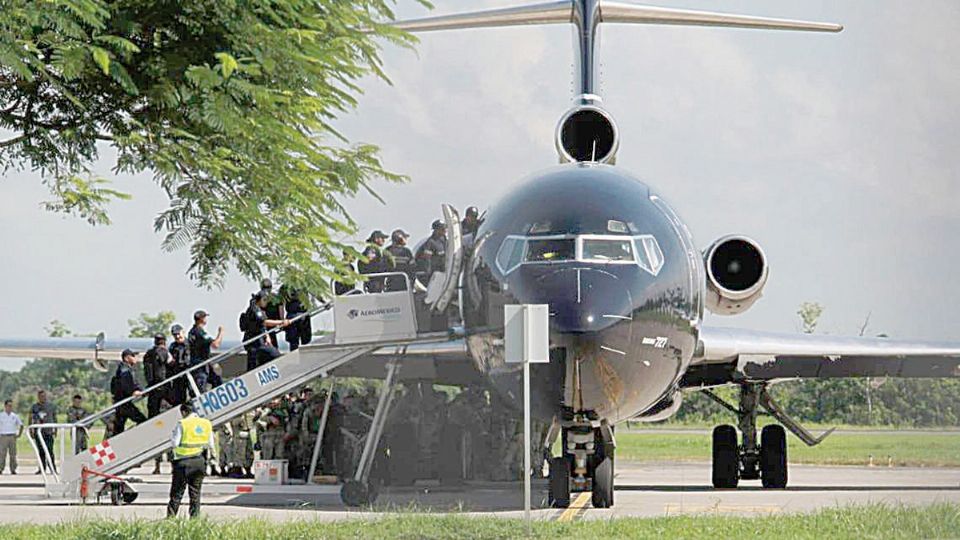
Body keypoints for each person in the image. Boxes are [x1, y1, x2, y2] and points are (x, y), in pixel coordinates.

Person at [166, 401, 214, 519]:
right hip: (199, 461)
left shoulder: (182, 423)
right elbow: (210, 444)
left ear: (184, 412)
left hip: (183, 462)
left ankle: (170, 519)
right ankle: (194, 520)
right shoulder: (206, 423)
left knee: (177, 494)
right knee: (195, 494)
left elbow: (175, 443)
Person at [241, 291, 289, 371]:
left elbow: (262, 326)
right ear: (259, 300)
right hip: (254, 343)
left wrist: (267, 336)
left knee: (258, 365)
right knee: (274, 354)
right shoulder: (255, 310)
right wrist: (282, 322)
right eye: (264, 300)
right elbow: (265, 322)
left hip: (258, 342)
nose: (266, 302)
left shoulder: (259, 310)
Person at [111, 349, 147, 435]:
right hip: (124, 402)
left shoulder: (125, 368)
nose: (135, 358)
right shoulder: (125, 369)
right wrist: (133, 392)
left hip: (121, 401)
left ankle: (117, 443)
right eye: (133, 356)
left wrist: (142, 391)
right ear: (127, 358)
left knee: (118, 427)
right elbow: (127, 383)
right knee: (141, 419)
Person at [188, 310, 224, 392]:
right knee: (201, 389)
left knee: (217, 379)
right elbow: (215, 345)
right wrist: (221, 333)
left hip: (198, 363)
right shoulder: (200, 332)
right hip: (201, 365)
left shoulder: (191, 331)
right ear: (201, 319)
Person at [30, 390, 57, 474]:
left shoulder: (51, 406)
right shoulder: (34, 407)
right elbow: (31, 418)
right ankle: (42, 468)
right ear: (38, 397)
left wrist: (56, 429)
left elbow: (54, 417)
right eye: (41, 396)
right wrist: (31, 430)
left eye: (44, 396)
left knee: (50, 451)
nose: (43, 398)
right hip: (39, 432)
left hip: (48, 431)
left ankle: (53, 468)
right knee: (41, 451)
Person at [143, 333, 170, 418]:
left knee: (152, 411)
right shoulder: (164, 352)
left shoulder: (148, 354)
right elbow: (170, 363)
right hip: (162, 385)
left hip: (151, 386)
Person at [415, 220, 447, 284]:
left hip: (443, 270)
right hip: (434, 272)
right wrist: (429, 274)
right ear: (436, 230)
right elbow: (427, 259)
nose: (445, 230)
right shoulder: (430, 242)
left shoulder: (444, 241)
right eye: (442, 229)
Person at [281, 286, 312, 352]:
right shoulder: (285, 287)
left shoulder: (303, 284)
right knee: (298, 343)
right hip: (296, 317)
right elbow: (281, 304)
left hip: (297, 316)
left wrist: (282, 320)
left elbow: (281, 305)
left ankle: (299, 358)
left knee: (296, 343)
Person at [168, 325, 190, 403]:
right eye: (175, 335)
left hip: (190, 373)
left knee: (194, 394)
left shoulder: (191, 344)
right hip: (178, 375)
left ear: (183, 332)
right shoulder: (172, 347)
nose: (177, 336)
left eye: (178, 334)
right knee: (179, 398)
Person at [260, 279, 285, 348]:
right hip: (270, 324)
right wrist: (282, 322)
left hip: (265, 325)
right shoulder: (276, 298)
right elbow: (281, 311)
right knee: (272, 346)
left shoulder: (258, 298)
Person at [0, 400, 23, 474]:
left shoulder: (15, 416)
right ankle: (1, 468)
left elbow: (21, 425)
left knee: (13, 454)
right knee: (2, 453)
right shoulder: (1, 415)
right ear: (5, 406)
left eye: (11, 406)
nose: (10, 407)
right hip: (3, 436)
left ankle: (13, 469)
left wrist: (19, 434)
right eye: (8, 406)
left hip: (12, 436)